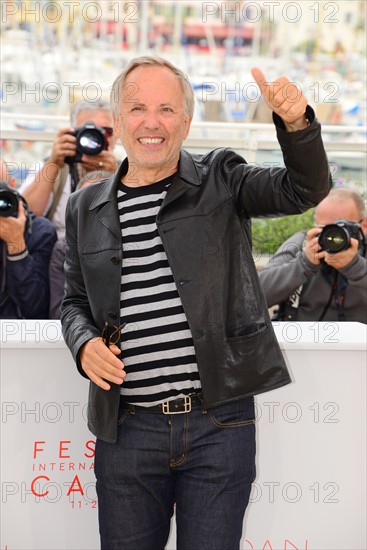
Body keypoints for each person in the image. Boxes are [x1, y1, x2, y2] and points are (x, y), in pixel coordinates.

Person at [60, 56, 331, 550]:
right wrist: (82, 344)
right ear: (118, 120)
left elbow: (304, 189)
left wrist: (296, 124)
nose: (152, 122)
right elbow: (74, 301)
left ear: (185, 122)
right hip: (126, 431)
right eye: (138, 107)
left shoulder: (221, 179)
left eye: (167, 109)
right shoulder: (84, 208)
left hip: (219, 425)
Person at [259, 187, 367, 323]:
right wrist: (304, 264)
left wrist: (356, 268)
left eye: (342, 228)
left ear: (364, 225)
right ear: (315, 224)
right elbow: (254, 296)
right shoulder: (301, 244)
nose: (332, 238)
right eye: (325, 229)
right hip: (302, 341)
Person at [19, 99, 118, 239]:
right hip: (60, 252)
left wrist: (116, 176)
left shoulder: (127, 172)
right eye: (86, 132)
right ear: (72, 133)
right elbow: (25, 215)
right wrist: (53, 163)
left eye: (106, 131)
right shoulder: (53, 166)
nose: (95, 138)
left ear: (117, 134)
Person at [48, 169, 111, 319]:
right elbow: (59, 313)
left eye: (102, 203)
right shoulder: (63, 250)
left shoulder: (133, 240)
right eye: (86, 203)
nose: (94, 211)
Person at [0, 160, 57, 319]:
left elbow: (35, 308)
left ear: (12, 185)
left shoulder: (39, 231)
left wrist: (16, 244)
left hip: (19, 336)